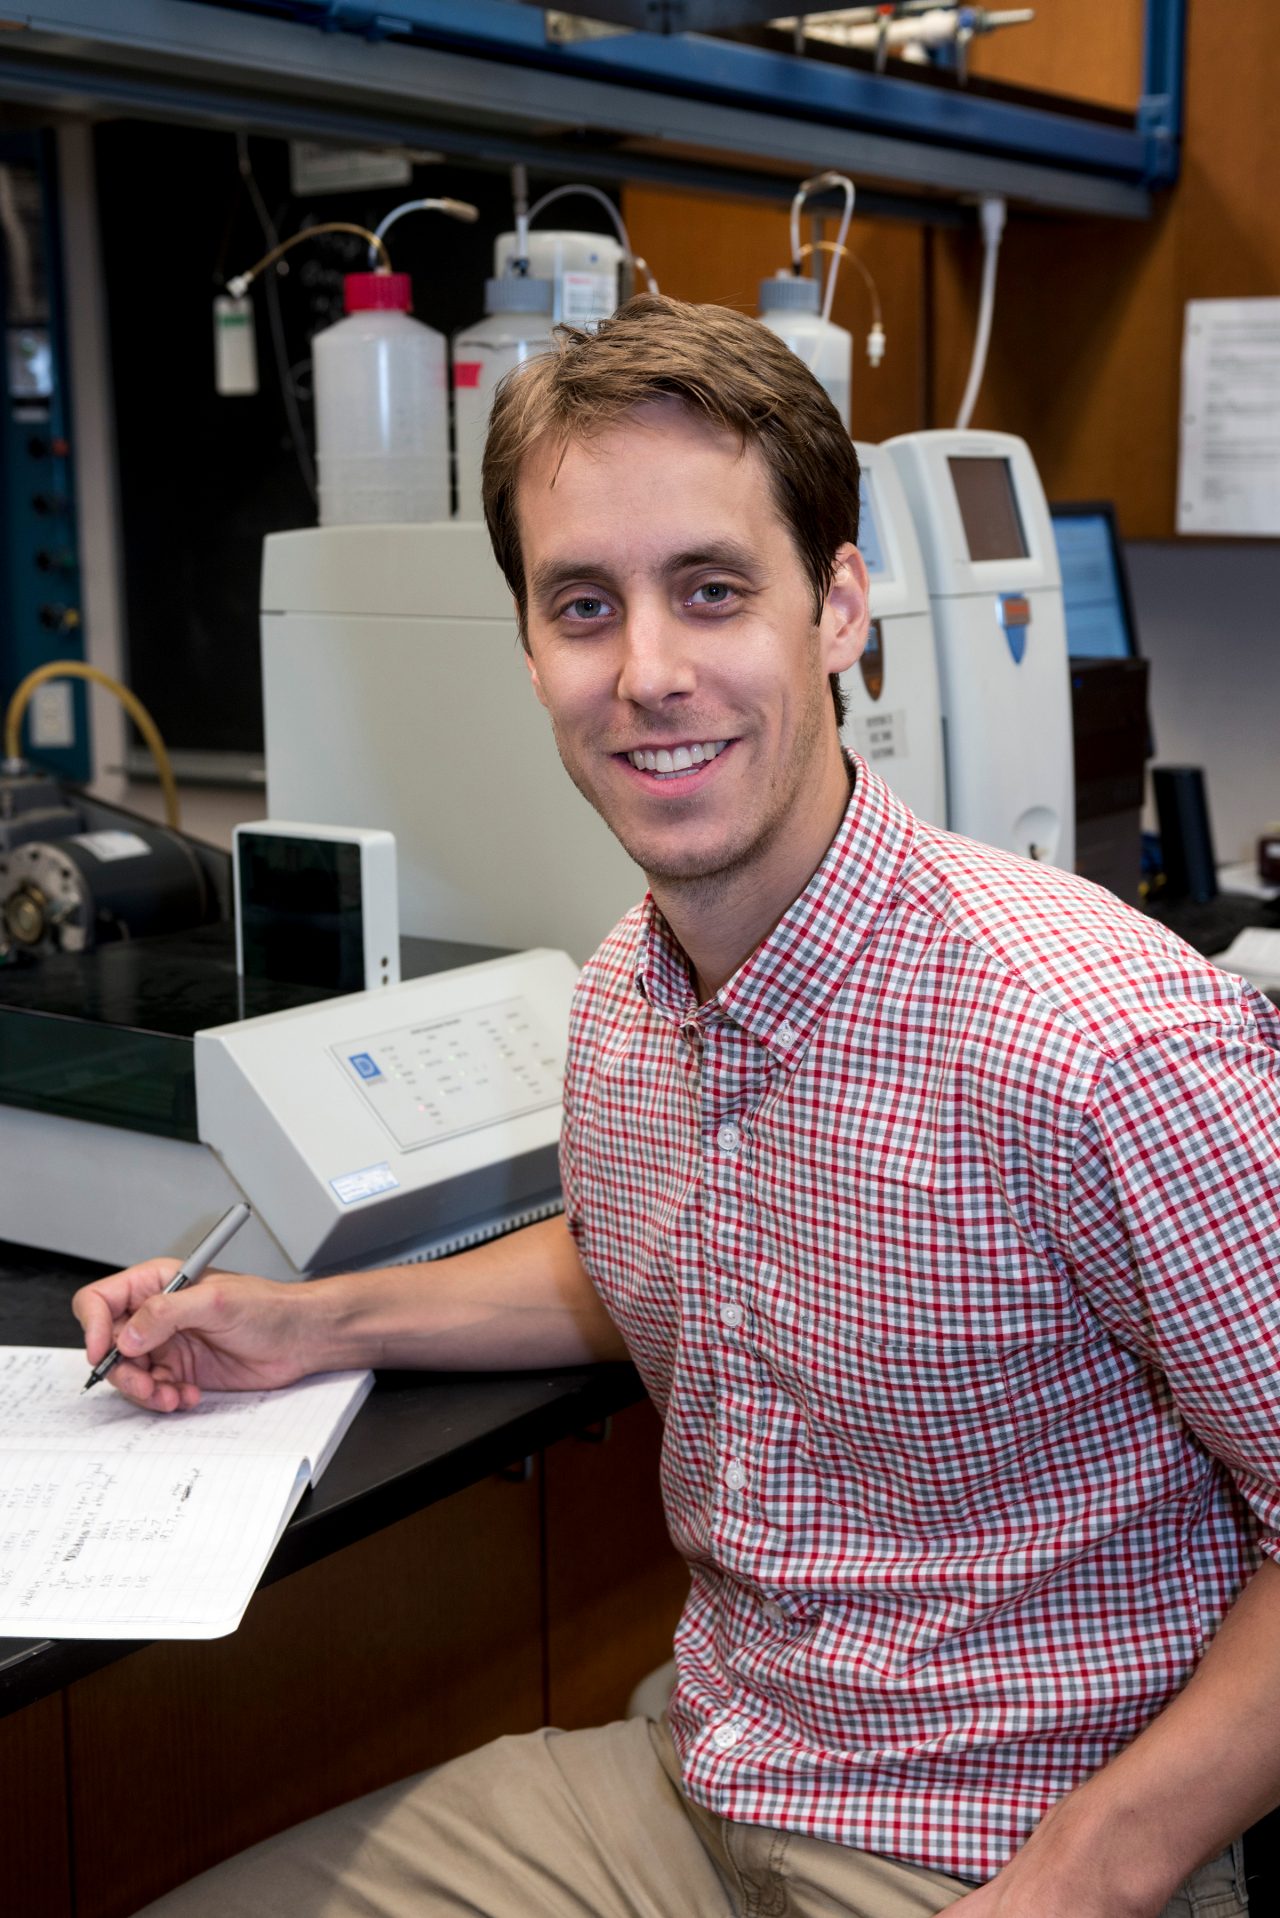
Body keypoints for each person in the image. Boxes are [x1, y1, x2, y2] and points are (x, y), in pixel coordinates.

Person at [75, 296, 1280, 1918]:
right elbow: (642, 1249)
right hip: (693, 1782)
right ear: (529, 648)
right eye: (586, 605)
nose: (648, 671)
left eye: (711, 590)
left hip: (1020, 1845)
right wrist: (305, 1320)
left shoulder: (1098, 1039)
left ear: (838, 606)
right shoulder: (624, 1003)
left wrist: (1089, 1872)